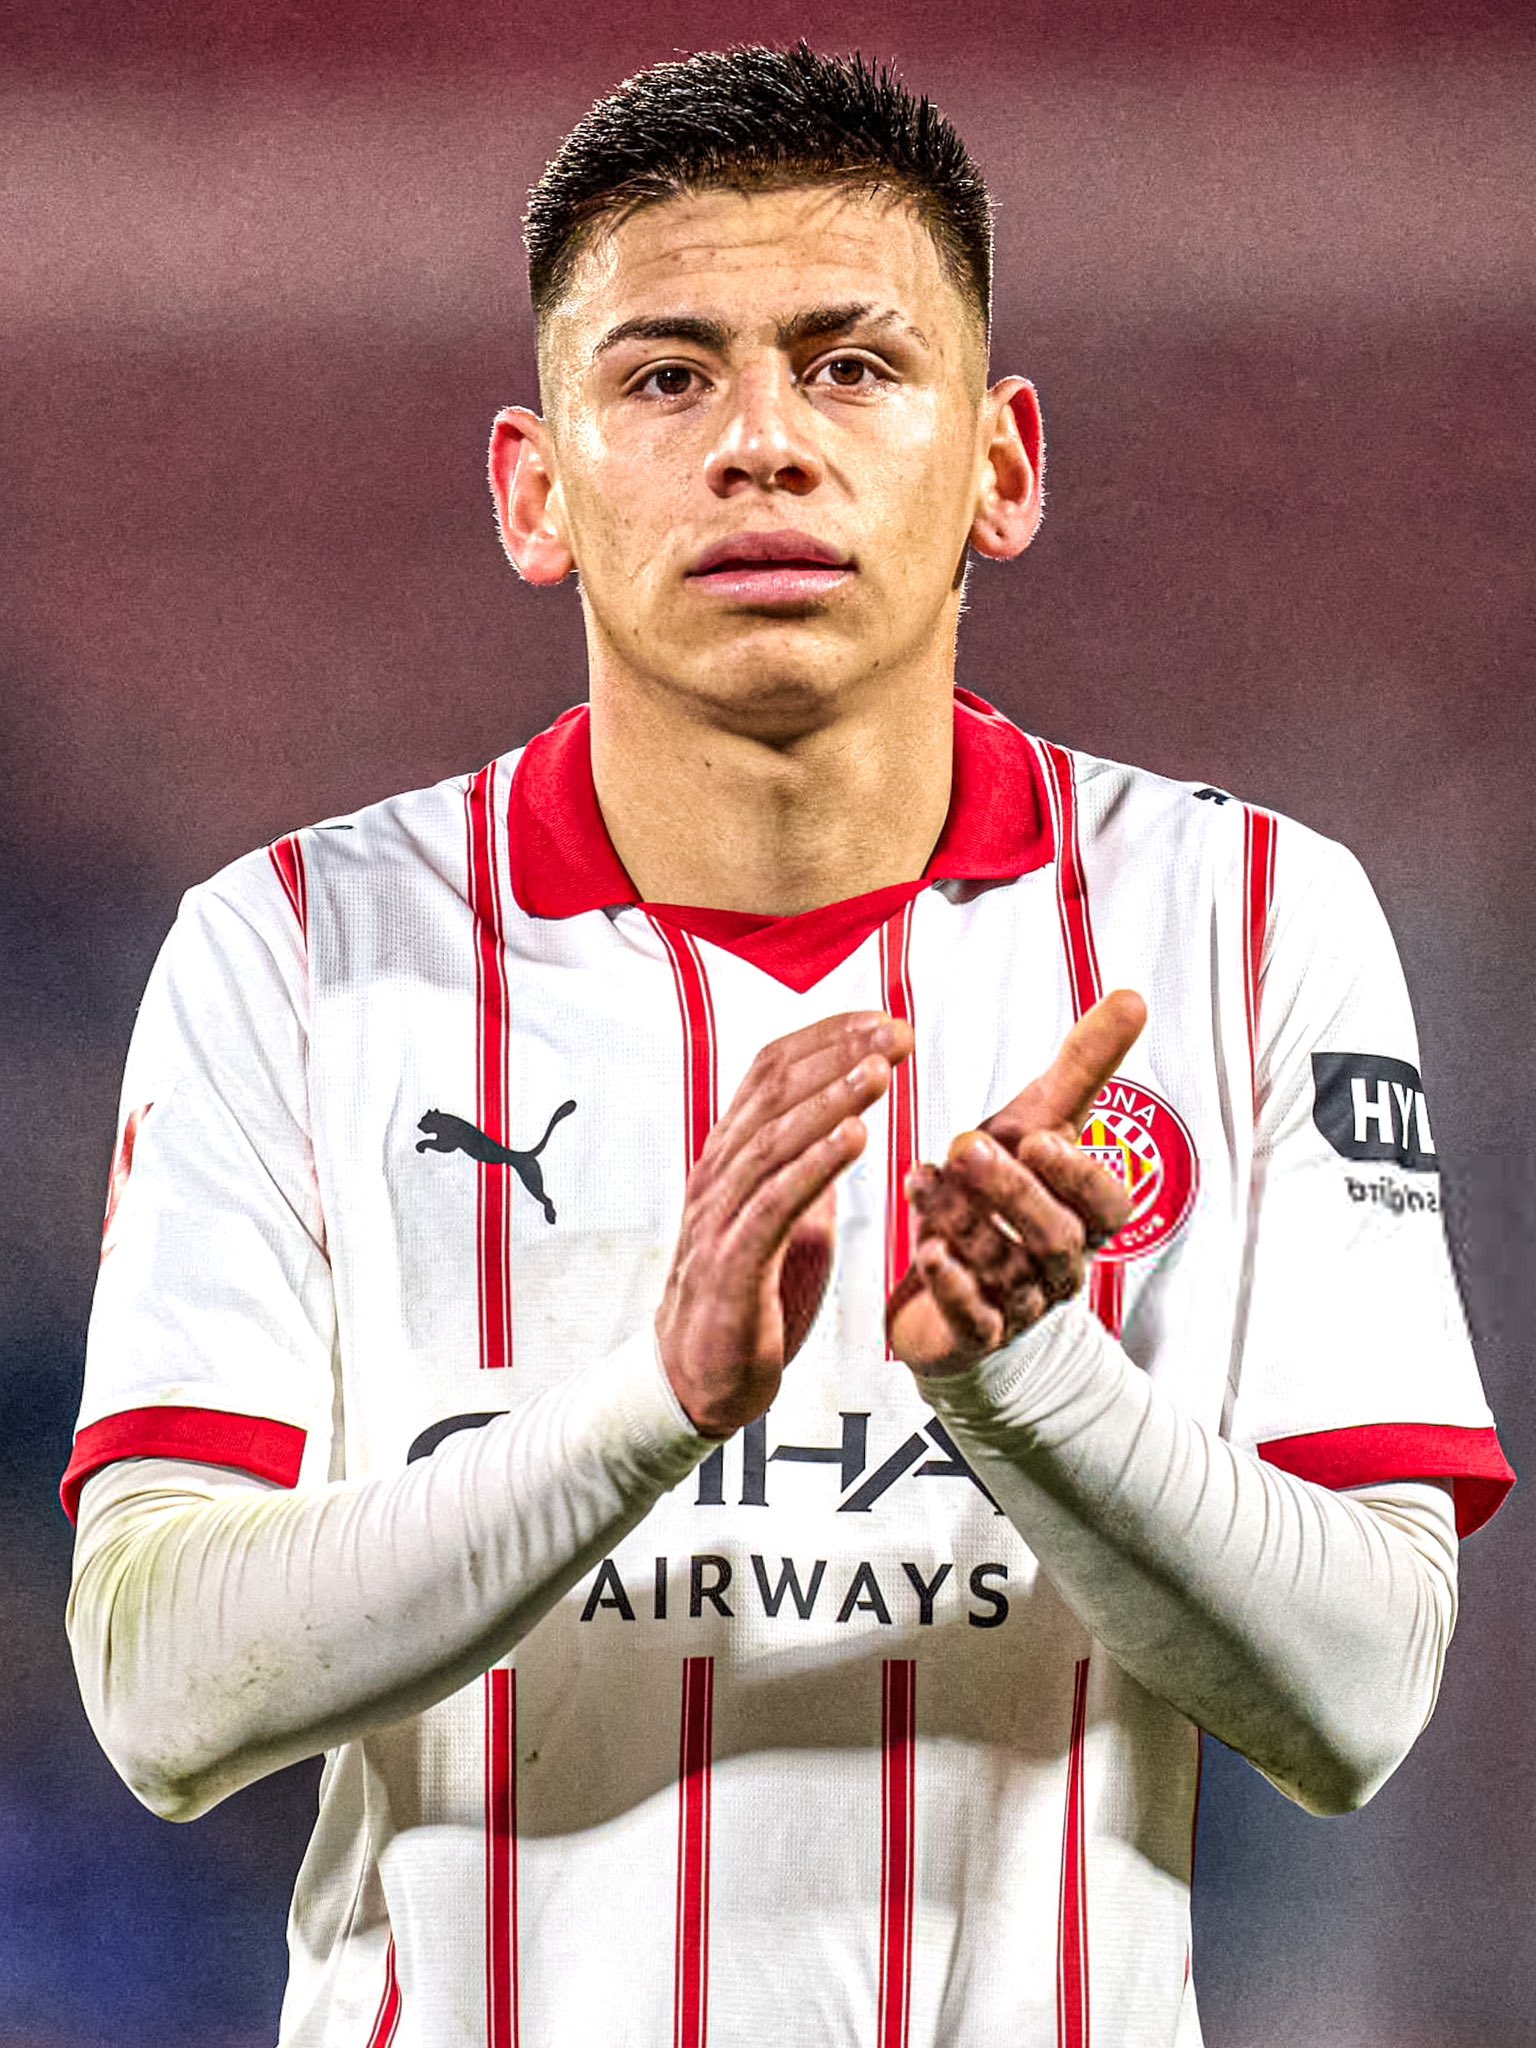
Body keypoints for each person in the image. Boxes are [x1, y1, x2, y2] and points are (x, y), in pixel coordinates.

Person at [63, 43, 1511, 2048]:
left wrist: (1030, 1379)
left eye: (852, 366)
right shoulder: (295, 952)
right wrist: (647, 1408)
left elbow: (1358, 1702)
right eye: (668, 377)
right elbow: (157, 1692)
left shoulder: (1250, 921)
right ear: (537, 490)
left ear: (1001, 464)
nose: (763, 443)